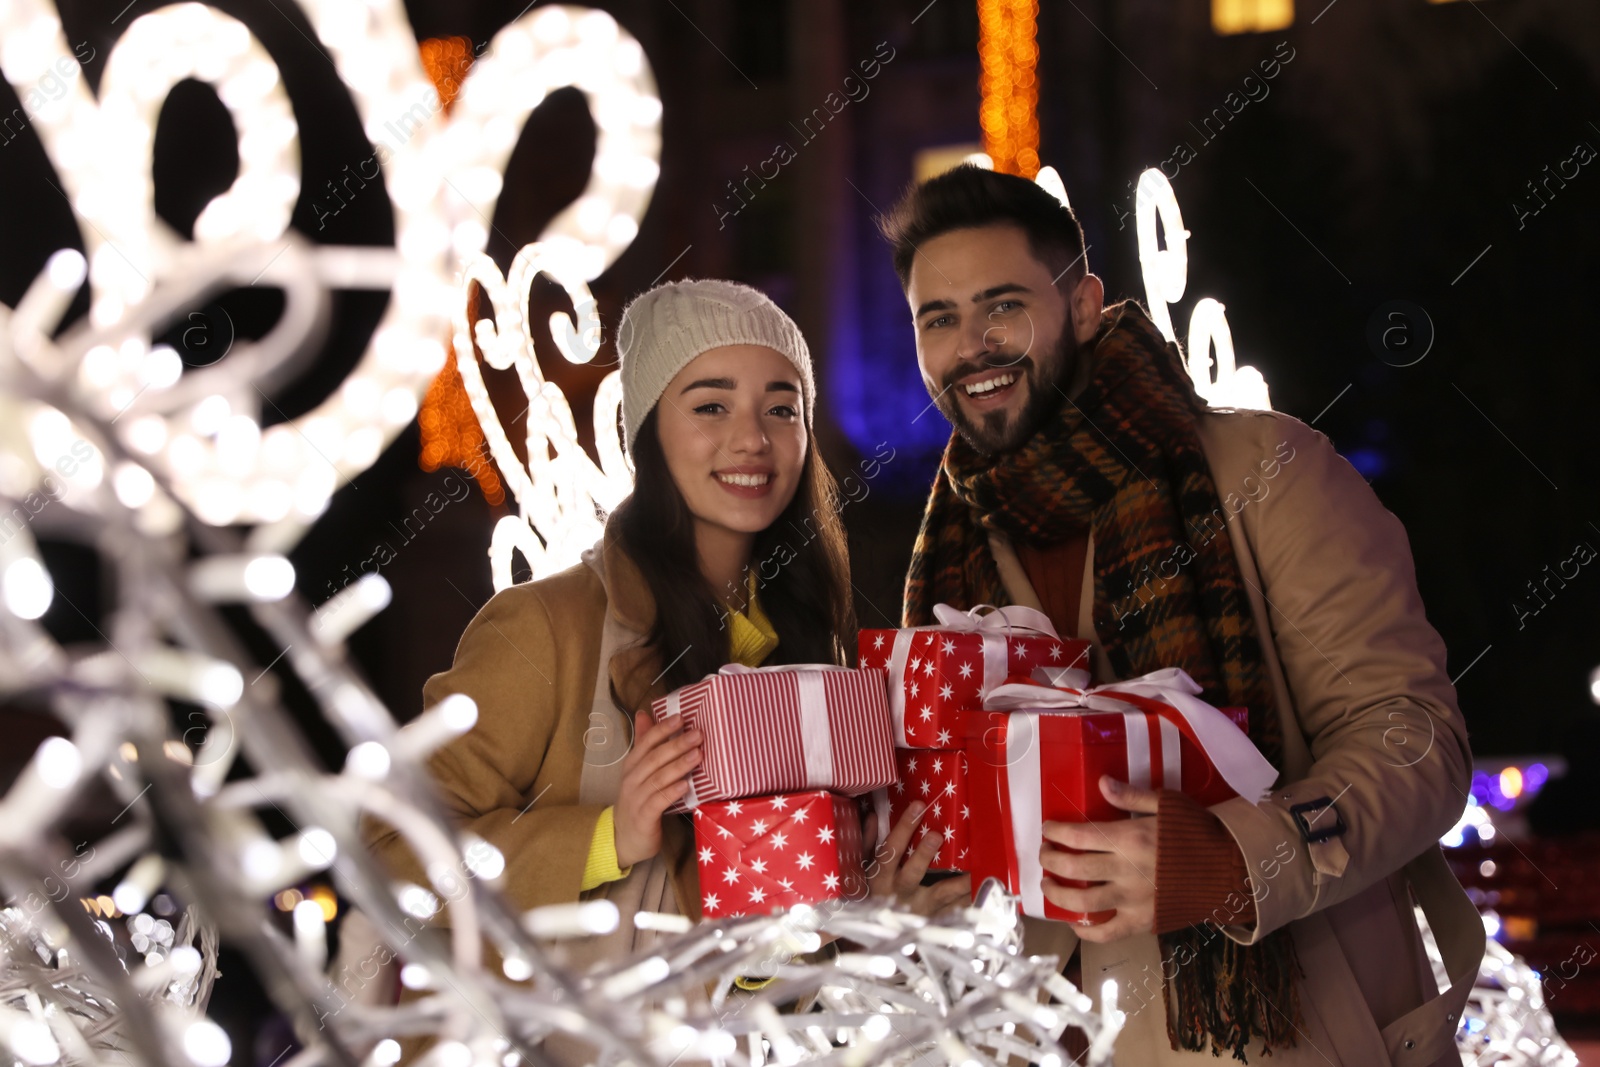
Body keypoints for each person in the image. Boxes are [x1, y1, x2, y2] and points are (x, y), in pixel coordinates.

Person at [874, 165, 1485, 1066]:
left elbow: (1418, 740)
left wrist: (1240, 860)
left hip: (1296, 1035)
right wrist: (929, 883)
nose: (974, 345)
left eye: (1002, 305)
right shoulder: (952, 555)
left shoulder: (1267, 471)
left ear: (1082, 306)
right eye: (940, 318)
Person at [362, 278, 955, 1061]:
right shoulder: (547, 627)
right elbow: (389, 845)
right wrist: (610, 835)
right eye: (712, 405)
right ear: (648, 428)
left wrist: (848, 912)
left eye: (782, 408)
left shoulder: (810, 660)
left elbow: (757, 978)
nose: (753, 438)